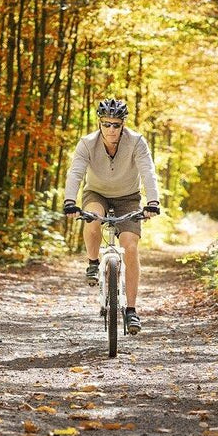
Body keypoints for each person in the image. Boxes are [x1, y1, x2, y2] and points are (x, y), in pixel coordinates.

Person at [63, 98, 160, 335]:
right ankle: (93, 263)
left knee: (130, 246)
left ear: (123, 124)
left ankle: (131, 310)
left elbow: (148, 171)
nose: (111, 130)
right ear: (100, 123)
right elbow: (76, 171)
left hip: (128, 197)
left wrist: (153, 202)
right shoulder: (87, 143)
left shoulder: (137, 142)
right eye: (106, 124)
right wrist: (69, 201)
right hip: (96, 193)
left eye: (116, 125)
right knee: (93, 218)